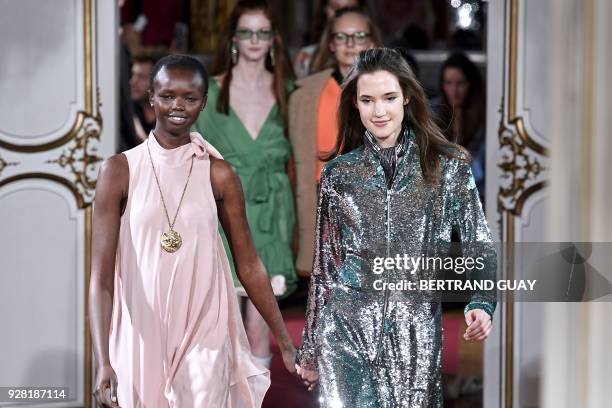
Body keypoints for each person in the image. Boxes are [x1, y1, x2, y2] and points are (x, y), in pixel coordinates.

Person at [89, 54, 297, 407]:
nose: (178, 106)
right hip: (142, 330)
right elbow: (102, 278)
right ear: (151, 97)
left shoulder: (219, 174)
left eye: (189, 98)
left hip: (205, 329)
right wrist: (103, 360)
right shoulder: (120, 171)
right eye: (167, 95)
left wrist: (286, 341)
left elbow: (248, 265)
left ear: (203, 103)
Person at [295, 48, 496, 407]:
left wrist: (482, 301)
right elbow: (326, 268)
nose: (379, 111)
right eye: (367, 100)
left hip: (413, 335)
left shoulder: (448, 168)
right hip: (345, 333)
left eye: (389, 98)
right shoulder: (339, 175)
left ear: (406, 95)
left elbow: (478, 241)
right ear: (355, 104)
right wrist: (310, 351)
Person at [192, 0, 297, 368]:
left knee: (258, 325)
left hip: (270, 212)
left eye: (263, 32)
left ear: (273, 39)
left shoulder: (288, 92)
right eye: (247, 32)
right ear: (234, 38)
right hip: (223, 212)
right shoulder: (208, 92)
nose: (255, 40)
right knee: (219, 324)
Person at [289, 6, 381, 278]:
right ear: (331, 44)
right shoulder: (306, 93)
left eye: (359, 36)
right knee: (327, 285)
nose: (350, 44)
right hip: (321, 196)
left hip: (372, 197)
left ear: (372, 42)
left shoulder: (391, 89)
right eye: (342, 37)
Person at [433, 52, 486, 200]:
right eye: (448, 83)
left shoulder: (483, 118)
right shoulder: (434, 113)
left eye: (460, 83)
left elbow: (482, 170)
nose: (454, 92)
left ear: (471, 84)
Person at [292, 0, 365, 78]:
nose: (342, 14)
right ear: (324, 9)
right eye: (335, 7)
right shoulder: (306, 59)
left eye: (350, 9)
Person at [130, 54, 158, 143]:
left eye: (141, 77)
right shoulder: (127, 114)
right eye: (133, 75)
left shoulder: (171, 118)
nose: (132, 82)